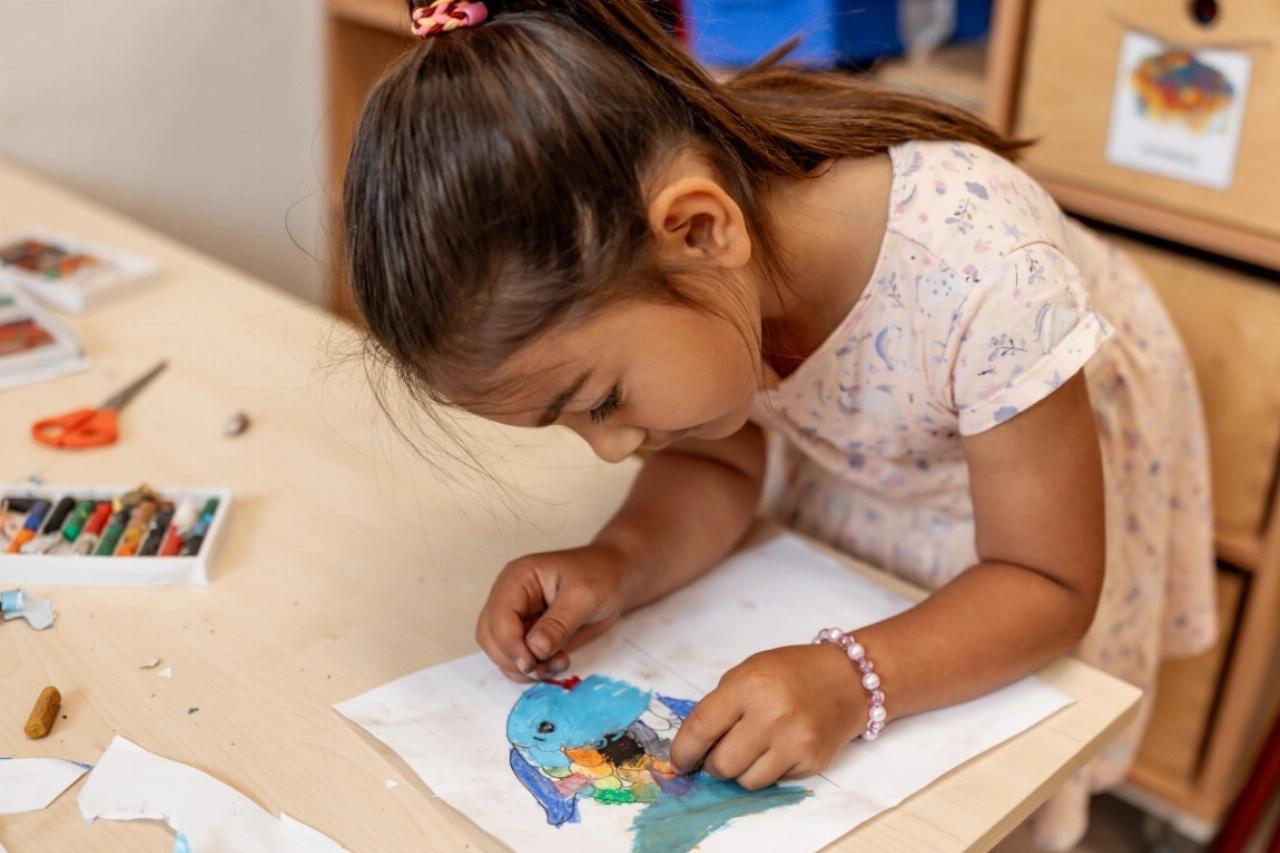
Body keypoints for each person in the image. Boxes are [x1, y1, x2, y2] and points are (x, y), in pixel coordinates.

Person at [341, 1, 1218, 847]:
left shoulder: (988, 273)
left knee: (979, 796)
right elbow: (722, 464)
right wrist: (619, 559)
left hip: (1034, 506)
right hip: (887, 461)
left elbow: (1047, 582)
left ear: (699, 230)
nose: (610, 446)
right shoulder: (709, 280)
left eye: (602, 400)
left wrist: (852, 678)